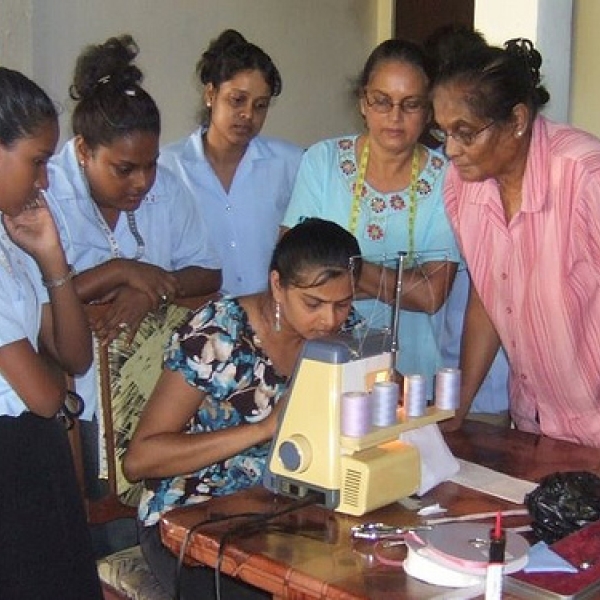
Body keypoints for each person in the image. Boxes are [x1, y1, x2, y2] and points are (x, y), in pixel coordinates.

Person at [45, 34, 221, 554]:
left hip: (151, 385)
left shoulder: (165, 185)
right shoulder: (46, 191)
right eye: (125, 169)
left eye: (149, 164)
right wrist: (123, 270)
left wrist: (152, 290)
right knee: (85, 528)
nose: (143, 181)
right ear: (83, 151)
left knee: (154, 519)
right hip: (72, 396)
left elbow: (208, 273)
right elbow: (34, 301)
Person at [123, 218, 362, 599]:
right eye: (314, 303)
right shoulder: (218, 335)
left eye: (343, 304)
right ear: (277, 285)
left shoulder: (345, 334)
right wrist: (263, 429)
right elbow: (139, 459)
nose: (330, 320)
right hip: (191, 524)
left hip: (284, 516)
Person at [431, 34, 600, 447]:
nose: (451, 150)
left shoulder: (584, 176)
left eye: (465, 133)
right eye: (443, 133)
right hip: (533, 423)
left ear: (519, 120)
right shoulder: (461, 185)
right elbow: (490, 296)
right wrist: (460, 404)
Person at [282, 38, 462, 400]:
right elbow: (293, 268)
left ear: (428, 111)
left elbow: (431, 294)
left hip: (409, 374)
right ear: (363, 101)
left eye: (410, 105)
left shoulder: (448, 178)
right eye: (382, 101)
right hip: (325, 360)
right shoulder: (324, 162)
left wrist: (337, 274)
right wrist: (395, 282)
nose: (395, 117)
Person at [0, 67, 102, 599]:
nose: (44, 181)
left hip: (35, 455)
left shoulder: (9, 231)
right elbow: (41, 395)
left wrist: (52, 258)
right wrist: (60, 395)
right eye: (37, 162)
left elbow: (74, 353)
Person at [160, 29, 304, 297]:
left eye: (260, 106)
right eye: (237, 100)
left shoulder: (289, 163)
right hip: (198, 320)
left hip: (272, 318)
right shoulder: (168, 167)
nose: (248, 114)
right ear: (210, 94)